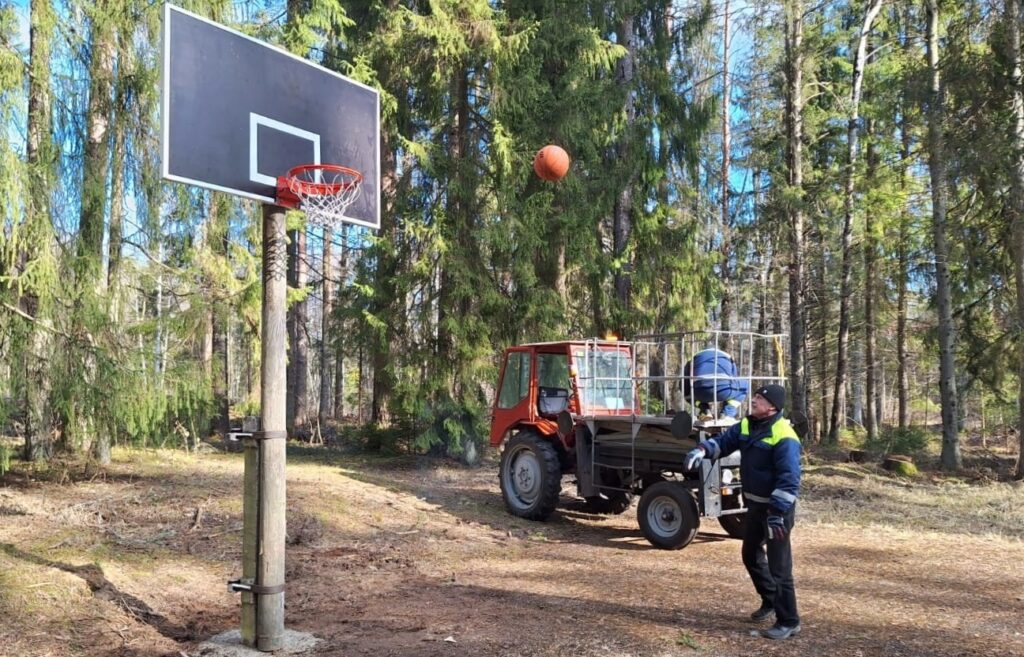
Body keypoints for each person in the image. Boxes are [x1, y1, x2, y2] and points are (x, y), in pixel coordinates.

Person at [684, 384, 802, 640]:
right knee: (750, 553)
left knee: (780, 567)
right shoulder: (748, 425)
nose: (755, 400)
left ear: (772, 406)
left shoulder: (784, 435)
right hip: (757, 506)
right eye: (756, 396)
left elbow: (789, 480)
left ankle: (789, 621)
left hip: (776, 511)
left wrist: (777, 512)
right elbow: (724, 442)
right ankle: (771, 600)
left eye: (760, 398)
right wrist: (702, 450)